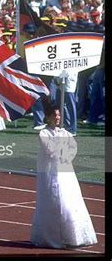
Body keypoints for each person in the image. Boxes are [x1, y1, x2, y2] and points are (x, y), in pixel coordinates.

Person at [30, 99, 97, 248]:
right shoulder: (44, 133)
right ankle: (51, 237)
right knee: (53, 202)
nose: (57, 118)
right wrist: (62, 147)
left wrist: (66, 154)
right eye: (54, 115)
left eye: (59, 115)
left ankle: (71, 236)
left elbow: (73, 147)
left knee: (69, 202)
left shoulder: (64, 132)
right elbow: (51, 151)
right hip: (50, 172)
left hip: (65, 172)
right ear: (47, 117)